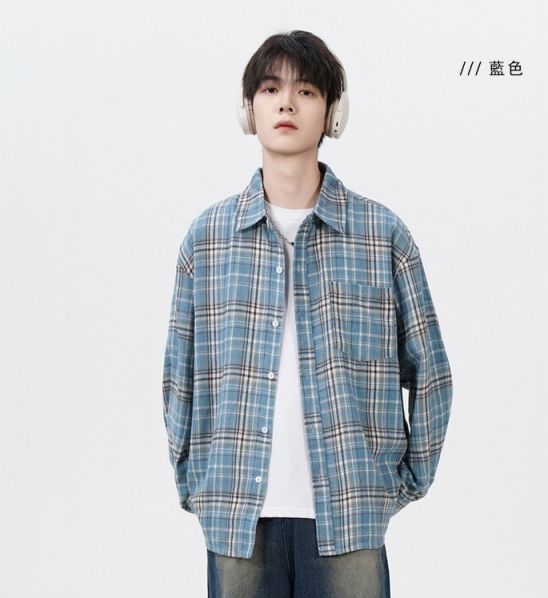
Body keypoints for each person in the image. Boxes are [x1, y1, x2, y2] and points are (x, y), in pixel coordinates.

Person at [162, 30, 453, 598]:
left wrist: (402, 484)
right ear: (249, 109)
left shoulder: (382, 237)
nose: (287, 104)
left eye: (307, 91)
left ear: (332, 114)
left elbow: (432, 372)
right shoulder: (208, 240)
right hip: (236, 517)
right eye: (271, 89)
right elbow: (180, 376)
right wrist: (196, 482)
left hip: (351, 514)